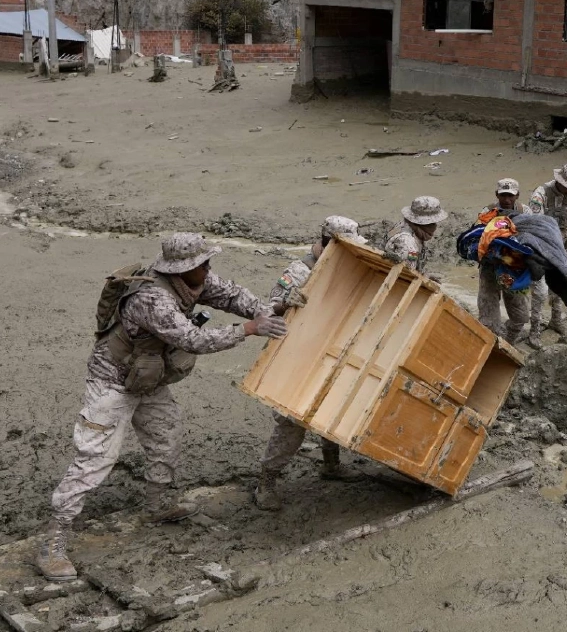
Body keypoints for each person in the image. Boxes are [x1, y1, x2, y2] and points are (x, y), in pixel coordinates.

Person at [37, 233, 288, 581]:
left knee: (165, 436)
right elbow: (194, 339)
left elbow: (230, 294)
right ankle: (55, 540)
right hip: (111, 382)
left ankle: (156, 505)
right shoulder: (151, 298)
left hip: (148, 377)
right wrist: (250, 328)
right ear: (181, 269)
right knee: (95, 458)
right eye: (203, 264)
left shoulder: (194, 279)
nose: (208, 268)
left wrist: (262, 310)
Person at [254, 217, 363, 512]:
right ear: (329, 243)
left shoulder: (346, 263)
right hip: (296, 354)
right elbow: (268, 307)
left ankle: (331, 465)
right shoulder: (300, 270)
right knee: (291, 422)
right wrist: (286, 303)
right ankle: (266, 481)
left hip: (330, 348)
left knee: (332, 406)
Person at [527, 164, 567, 345]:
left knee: (561, 283)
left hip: (561, 246)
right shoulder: (540, 195)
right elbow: (536, 225)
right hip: (541, 248)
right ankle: (534, 330)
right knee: (540, 291)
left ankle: (556, 319)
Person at [476, 179, 529, 343]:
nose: (506, 200)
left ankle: (509, 340)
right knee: (488, 316)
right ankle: (491, 344)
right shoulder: (488, 211)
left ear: (517, 195)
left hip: (513, 268)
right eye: (503, 195)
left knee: (520, 315)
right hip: (490, 267)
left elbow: (532, 236)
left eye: (511, 196)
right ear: (497, 194)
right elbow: (477, 234)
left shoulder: (525, 211)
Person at [385, 196, 448, 274]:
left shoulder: (404, 225)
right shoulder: (408, 243)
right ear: (424, 223)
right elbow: (408, 273)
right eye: (432, 223)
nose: (434, 226)